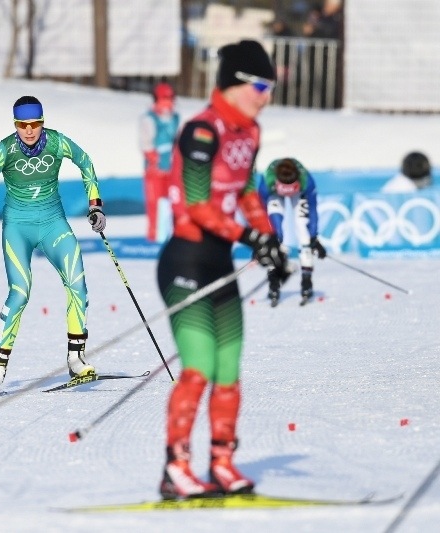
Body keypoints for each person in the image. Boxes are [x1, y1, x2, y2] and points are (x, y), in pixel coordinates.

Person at [156, 40, 291, 499]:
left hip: (219, 262)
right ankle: (176, 468)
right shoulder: (201, 131)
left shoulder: (249, 132)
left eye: (271, 87)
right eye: (260, 86)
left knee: (228, 371)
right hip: (185, 260)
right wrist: (249, 237)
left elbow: (247, 191)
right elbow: (198, 206)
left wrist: (269, 239)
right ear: (235, 83)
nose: (266, 96)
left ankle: (222, 463)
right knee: (199, 367)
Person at [0, 96, 106, 394]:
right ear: (15, 124)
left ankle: (76, 358)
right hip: (18, 228)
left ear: (42, 122)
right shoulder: (5, 149)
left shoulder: (57, 143)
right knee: (19, 293)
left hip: (53, 224)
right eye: (22, 125)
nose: (29, 130)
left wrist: (95, 204)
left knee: (77, 283)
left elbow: (85, 161)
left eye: (35, 124)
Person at [258, 157, 327, 305]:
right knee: (275, 234)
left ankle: (306, 282)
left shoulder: (306, 181)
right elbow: (260, 213)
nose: (288, 195)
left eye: (291, 190)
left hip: (299, 194)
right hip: (274, 194)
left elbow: (312, 209)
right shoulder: (267, 181)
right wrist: (262, 239)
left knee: (303, 230)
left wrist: (313, 237)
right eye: (285, 191)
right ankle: (274, 281)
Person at [139, 82, 180, 242]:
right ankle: (155, 234)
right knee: (155, 203)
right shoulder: (150, 118)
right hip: (155, 170)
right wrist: (155, 160)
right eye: (165, 98)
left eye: (170, 98)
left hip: (173, 167)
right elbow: (146, 143)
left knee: (173, 201)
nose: (168, 102)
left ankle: (172, 232)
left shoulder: (175, 118)